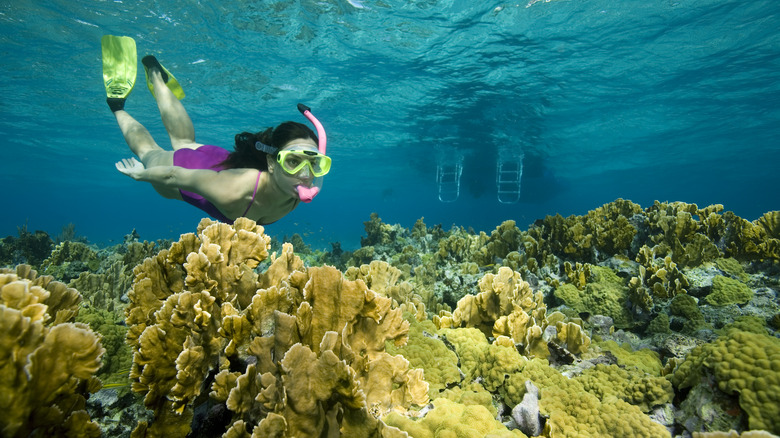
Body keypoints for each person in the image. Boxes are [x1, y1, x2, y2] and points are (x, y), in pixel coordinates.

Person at [101, 35, 331, 225]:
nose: (305, 174)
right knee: (149, 151)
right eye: (294, 161)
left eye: (313, 163)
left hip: (223, 161)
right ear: (271, 162)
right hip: (187, 169)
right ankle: (118, 106)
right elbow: (175, 175)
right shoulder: (234, 191)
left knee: (183, 139)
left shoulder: (297, 187)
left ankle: (157, 76)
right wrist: (140, 174)